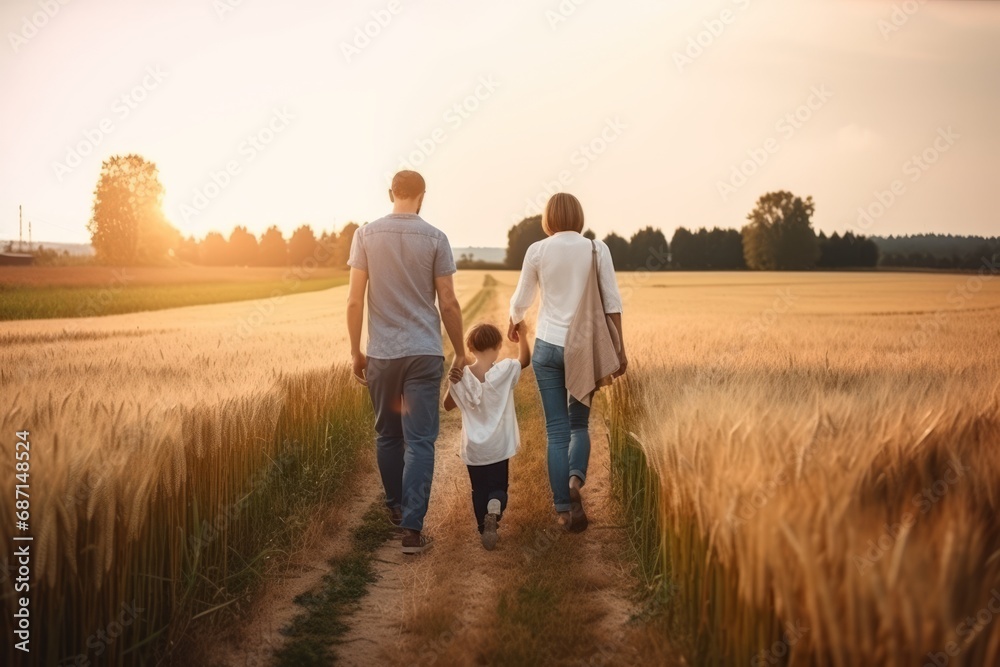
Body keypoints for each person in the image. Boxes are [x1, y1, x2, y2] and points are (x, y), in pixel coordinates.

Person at [346, 170, 467, 555]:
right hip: (423, 354)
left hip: (381, 353)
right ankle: (412, 531)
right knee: (419, 441)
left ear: (390, 193)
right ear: (422, 196)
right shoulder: (436, 238)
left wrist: (355, 351)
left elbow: (353, 300)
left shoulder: (365, 235)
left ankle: (396, 507)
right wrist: (461, 351)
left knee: (388, 435)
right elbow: (447, 301)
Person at [508, 193, 627, 532]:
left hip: (547, 347)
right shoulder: (596, 249)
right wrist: (620, 350)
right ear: (578, 215)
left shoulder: (537, 250)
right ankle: (575, 482)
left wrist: (513, 321)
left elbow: (521, 300)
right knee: (579, 425)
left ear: (548, 219)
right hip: (583, 351)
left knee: (556, 431)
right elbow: (612, 303)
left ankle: (563, 509)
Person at [444, 322, 532, 550]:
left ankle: (484, 529)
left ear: (470, 348)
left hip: (474, 449)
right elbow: (525, 360)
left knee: (478, 489)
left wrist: (453, 380)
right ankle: (495, 506)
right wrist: (522, 335)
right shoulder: (504, 371)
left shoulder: (462, 376)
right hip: (499, 446)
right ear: (499, 346)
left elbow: (447, 405)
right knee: (498, 486)